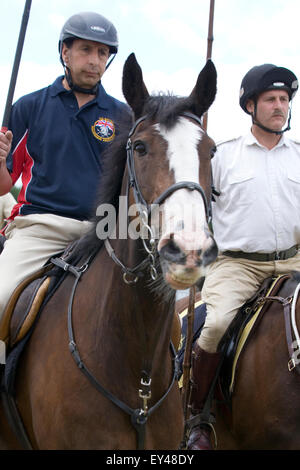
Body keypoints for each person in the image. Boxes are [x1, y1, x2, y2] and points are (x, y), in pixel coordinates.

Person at [187, 63, 300, 450]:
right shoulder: (223, 156)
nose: (280, 106)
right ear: (250, 105)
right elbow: (193, 203)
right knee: (216, 324)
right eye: (271, 99)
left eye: (285, 99)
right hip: (238, 265)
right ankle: (197, 418)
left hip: (293, 261)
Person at [0, 12, 132, 324]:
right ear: (65, 53)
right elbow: (3, 187)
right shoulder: (30, 107)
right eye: (86, 50)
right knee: (1, 297)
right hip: (40, 228)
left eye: (102, 53)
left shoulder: (124, 115)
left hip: (102, 234)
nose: (95, 60)